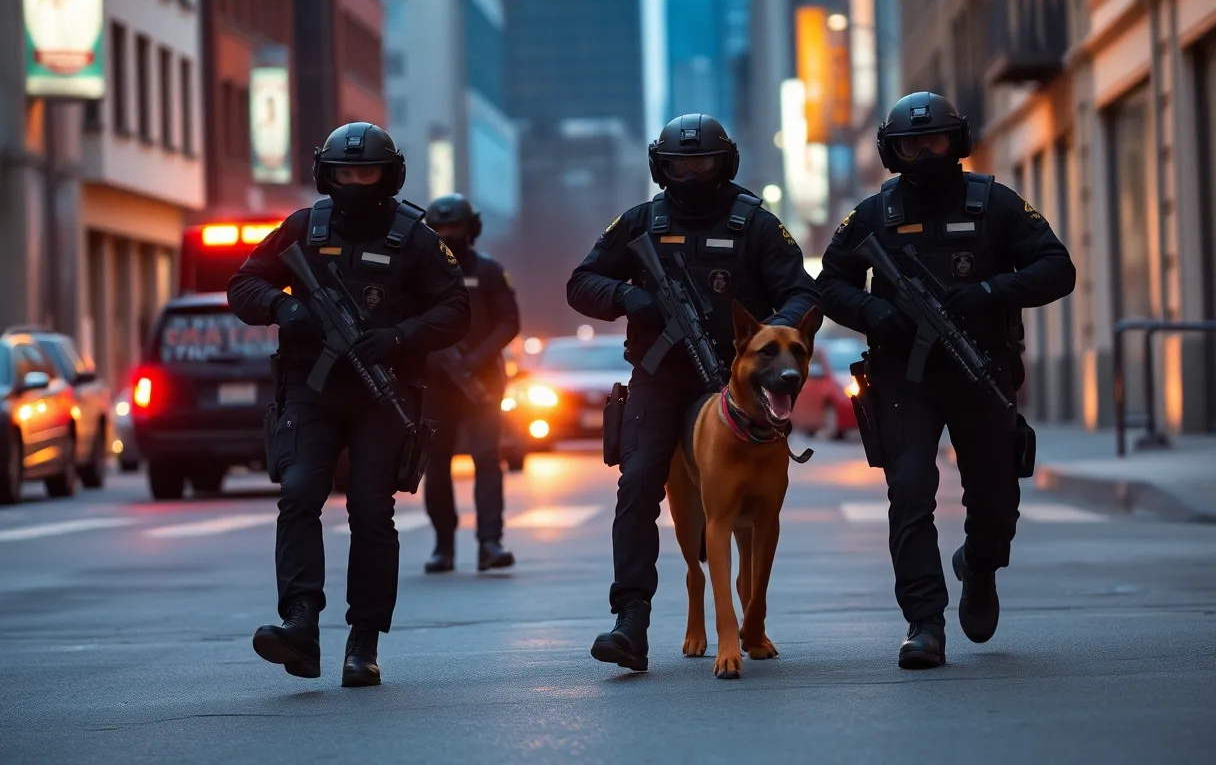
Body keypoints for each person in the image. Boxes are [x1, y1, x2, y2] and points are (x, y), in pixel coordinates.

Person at [815, 92, 1076, 669]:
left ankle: (979, 566)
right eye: (911, 143)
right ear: (892, 150)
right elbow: (829, 283)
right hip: (903, 376)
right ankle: (924, 624)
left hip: (982, 368)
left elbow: (1058, 268)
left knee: (995, 498)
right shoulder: (872, 214)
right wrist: (876, 313)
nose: (923, 151)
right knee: (909, 491)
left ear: (955, 142)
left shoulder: (995, 204)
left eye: (933, 140)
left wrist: (986, 292)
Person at [567, 113, 820, 672]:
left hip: (735, 384)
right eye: (679, 164)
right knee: (636, 485)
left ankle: (749, 620)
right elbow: (580, 282)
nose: (690, 173)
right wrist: (629, 298)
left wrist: (765, 340)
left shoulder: (754, 223)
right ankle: (630, 619)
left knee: (745, 512)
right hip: (662, 379)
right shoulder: (640, 222)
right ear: (661, 167)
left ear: (724, 163)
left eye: (702, 162)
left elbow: (802, 293)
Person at [227, 122, 470, 686]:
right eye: (344, 174)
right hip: (312, 388)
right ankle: (300, 623)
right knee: (300, 493)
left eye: (367, 173)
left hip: (382, 393)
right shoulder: (301, 229)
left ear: (390, 175)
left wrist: (401, 336)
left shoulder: (414, 235)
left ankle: (364, 641)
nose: (356, 183)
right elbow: (244, 285)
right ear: (325, 176)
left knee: (369, 509)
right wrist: (284, 309)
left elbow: (456, 308)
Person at [420, 193, 520, 574]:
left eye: (455, 227)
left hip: (483, 384)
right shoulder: (421, 274)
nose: (448, 234)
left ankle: (490, 543)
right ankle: (443, 547)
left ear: (470, 229)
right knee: (436, 463)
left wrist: (474, 361)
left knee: (486, 459)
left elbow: (509, 322)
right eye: (440, 228)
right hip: (436, 384)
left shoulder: (490, 271)